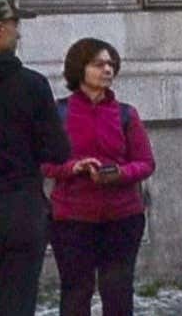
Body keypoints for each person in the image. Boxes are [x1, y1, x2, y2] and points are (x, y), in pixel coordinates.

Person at [43, 39, 153, 316]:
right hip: (72, 219)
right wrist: (74, 167)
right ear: (81, 69)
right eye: (99, 64)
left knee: (117, 291)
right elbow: (45, 162)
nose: (107, 69)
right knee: (76, 292)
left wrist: (119, 174)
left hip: (122, 217)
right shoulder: (59, 113)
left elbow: (146, 163)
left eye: (111, 64)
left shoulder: (126, 114)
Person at [0, 0, 69, 316]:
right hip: (19, 208)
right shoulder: (32, 85)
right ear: (1, 30)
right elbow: (58, 150)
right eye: (16, 25)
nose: (19, 32)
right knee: (18, 298)